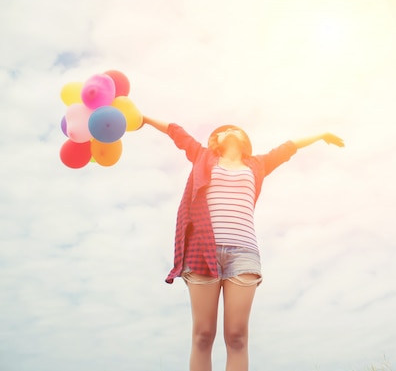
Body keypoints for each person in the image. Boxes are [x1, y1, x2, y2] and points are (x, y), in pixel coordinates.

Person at [141, 116, 344, 371]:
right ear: (216, 140)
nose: (231, 130)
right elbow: (175, 131)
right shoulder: (202, 156)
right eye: (224, 130)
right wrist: (144, 119)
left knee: (237, 337)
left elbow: (288, 147)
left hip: (243, 254)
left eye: (235, 128)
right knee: (203, 335)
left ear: (245, 140)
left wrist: (321, 134)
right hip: (202, 252)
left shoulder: (257, 164)